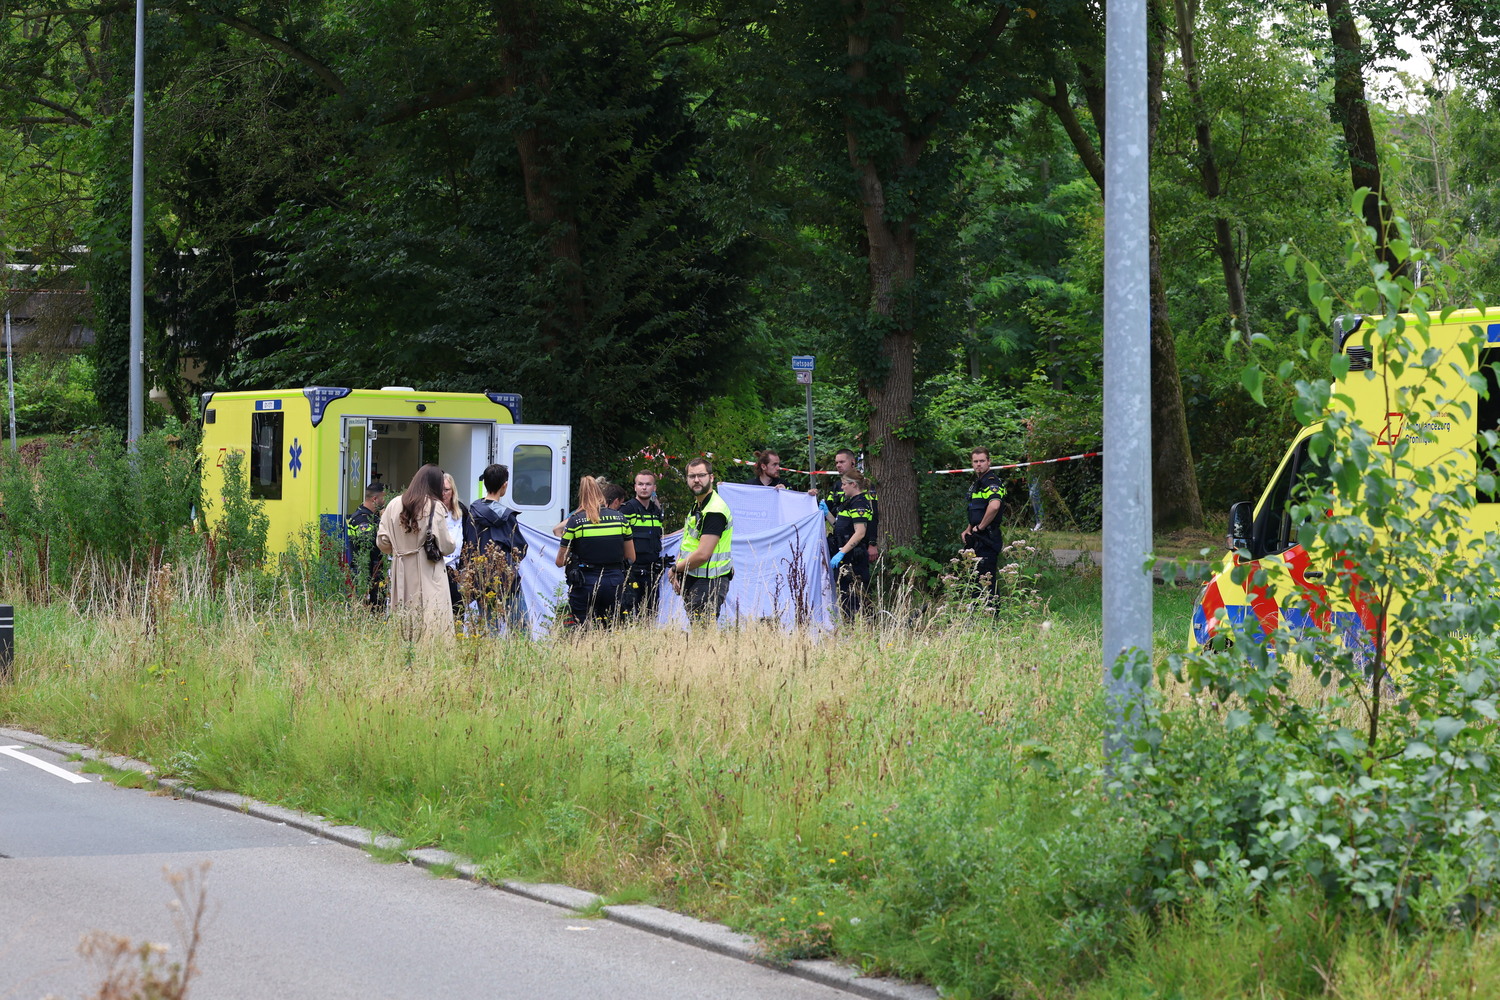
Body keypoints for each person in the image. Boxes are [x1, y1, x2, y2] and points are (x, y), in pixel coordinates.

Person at [377, 464, 456, 641]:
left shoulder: (393, 504)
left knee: (403, 618)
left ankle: (403, 655)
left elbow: (382, 542)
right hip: (428, 571)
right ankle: (430, 658)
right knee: (432, 618)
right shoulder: (435, 506)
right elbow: (446, 546)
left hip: (400, 569)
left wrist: (399, 548)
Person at [556, 476, 635, 628]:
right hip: (614, 581)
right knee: (611, 628)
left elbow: (560, 561)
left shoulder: (576, 521)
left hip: (584, 583)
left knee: (582, 629)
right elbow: (631, 557)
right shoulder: (621, 519)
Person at [671, 458, 734, 624]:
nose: (696, 480)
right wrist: (679, 571)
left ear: (711, 478)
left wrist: (675, 568)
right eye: (692, 476)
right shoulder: (698, 505)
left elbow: (703, 554)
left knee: (704, 637)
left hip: (710, 581)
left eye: (701, 475)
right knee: (700, 635)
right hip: (694, 577)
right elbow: (689, 542)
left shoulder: (714, 510)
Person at [469, 463, 529, 634]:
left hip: (481, 577)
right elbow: (520, 548)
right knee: (520, 629)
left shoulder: (473, 512)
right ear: (505, 485)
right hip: (507, 579)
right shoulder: (507, 516)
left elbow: (469, 544)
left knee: (489, 629)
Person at [810, 449, 878, 564]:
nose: (838, 465)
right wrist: (810, 497)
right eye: (836, 463)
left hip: (857, 544)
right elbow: (825, 509)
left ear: (852, 462)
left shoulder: (864, 487)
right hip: (840, 540)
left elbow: (873, 515)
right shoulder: (837, 486)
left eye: (842, 462)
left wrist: (872, 543)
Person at [620, 470, 667, 621]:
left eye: (648, 484)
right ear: (635, 487)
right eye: (640, 484)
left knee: (650, 615)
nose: (644, 488)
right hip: (631, 571)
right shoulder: (627, 509)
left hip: (652, 572)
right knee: (627, 616)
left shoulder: (656, 511)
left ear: (654, 488)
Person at [827, 471, 873, 619]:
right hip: (845, 556)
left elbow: (860, 532)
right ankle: (849, 626)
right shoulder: (849, 502)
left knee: (854, 599)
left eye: (845, 484)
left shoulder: (859, 503)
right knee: (845, 596)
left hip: (854, 557)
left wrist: (842, 552)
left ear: (853, 484)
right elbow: (839, 527)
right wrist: (827, 513)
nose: (842, 487)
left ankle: (856, 629)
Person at [960, 447, 1006, 597]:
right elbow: (977, 510)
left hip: (987, 537)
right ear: (972, 463)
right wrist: (969, 528)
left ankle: (992, 616)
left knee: (987, 581)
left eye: (982, 461)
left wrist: (980, 528)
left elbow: (994, 506)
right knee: (976, 581)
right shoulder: (978, 483)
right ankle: (977, 616)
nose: (978, 464)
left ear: (988, 462)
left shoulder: (991, 482)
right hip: (977, 537)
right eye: (975, 461)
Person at [440, 473, 480, 618]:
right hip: (436, 565)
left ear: (452, 491)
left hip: (455, 567)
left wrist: (466, 566)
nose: (443, 494)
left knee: (457, 608)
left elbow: (470, 540)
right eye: (440, 490)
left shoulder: (461, 511)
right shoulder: (432, 510)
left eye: (446, 490)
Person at [345, 482, 388, 610]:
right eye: (383, 498)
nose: (384, 501)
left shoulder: (371, 517)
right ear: (375, 499)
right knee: (370, 610)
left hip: (374, 572)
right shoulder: (361, 519)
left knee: (378, 608)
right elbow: (371, 543)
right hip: (365, 574)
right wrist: (384, 521)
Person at [1025, 418, 1045, 531]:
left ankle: (1041, 521)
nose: (1028, 427)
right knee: (1032, 495)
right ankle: (1038, 521)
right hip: (1030, 471)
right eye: (1027, 425)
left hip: (1038, 470)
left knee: (1035, 494)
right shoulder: (1029, 439)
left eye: (1030, 425)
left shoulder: (1040, 439)